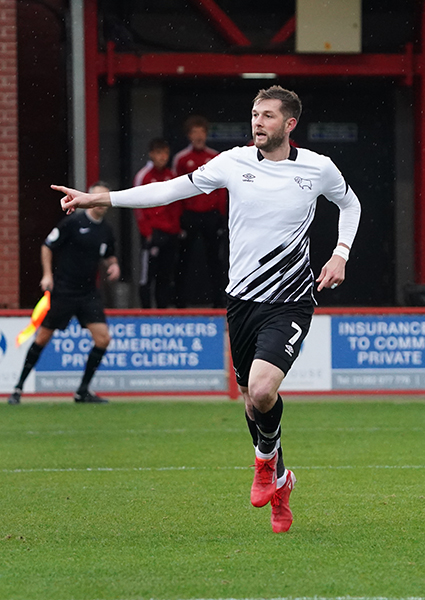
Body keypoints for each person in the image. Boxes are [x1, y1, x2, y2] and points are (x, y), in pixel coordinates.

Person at [52, 86, 361, 533]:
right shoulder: (233, 162)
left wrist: (341, 252)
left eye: (268, 116)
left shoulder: (317, 168)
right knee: (253, 406)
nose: (258, 122)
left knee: (260, 390)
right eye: (255, 114)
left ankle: (262, 465)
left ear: (290, 124)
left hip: (290, 300)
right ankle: (280, 482)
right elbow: (169, 191)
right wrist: (100, 198)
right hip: (241, 300)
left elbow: (349, 203)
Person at [8, 181, 120, 405]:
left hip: (88, 293)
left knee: (103, 339)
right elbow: (47, 246)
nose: (100, 203)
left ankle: (82, 391)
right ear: (90, 198)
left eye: (104, 199)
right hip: (65, 290)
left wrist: (114, 264)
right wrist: (47, 275)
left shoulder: (106, 230)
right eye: (96, 197)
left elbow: (108, 253)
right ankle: (18, 388)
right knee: (43, 337)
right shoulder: (73, 222)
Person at [172, 114, 228, 308]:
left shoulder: (215, 157)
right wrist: (179, 218)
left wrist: (221, 216)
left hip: (211, 215)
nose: (198, 137)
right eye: (195, 133)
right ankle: (179, 302)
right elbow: (175, 189)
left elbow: (222, 189)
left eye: (201, 133)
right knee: (183, 260)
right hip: (189, 215)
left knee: (215, 259)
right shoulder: (181, 159)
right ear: (189, 135)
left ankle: (218, 301)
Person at [133, 138, 181, 308]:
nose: (163, 157)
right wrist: (147, 232)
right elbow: (137, 207)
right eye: (159, 153)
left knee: (166, 275)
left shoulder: (171, 175)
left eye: (166, 153)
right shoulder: (143, 176)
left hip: (170, 233)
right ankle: (146, 312)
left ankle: (163, 311)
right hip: (153, 234)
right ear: (151, 154)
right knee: (147, 276)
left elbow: (176, 204)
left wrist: (176, 228)